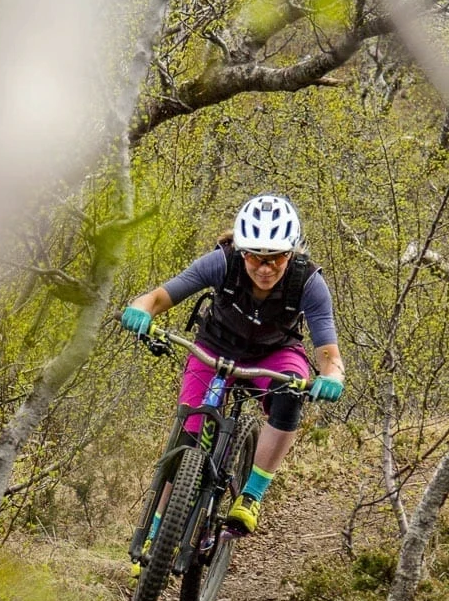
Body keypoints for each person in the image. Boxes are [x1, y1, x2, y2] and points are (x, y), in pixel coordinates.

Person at [119, 193, 345, 534]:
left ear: (292, 252)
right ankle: (155, 531)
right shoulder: (220, 263)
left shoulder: (309, 281)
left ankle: (251, 495)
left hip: (275, 353)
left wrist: (331, 377)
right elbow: (158, 297)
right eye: (255, 257)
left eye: (277, 258)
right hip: (215, 349)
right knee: (189, 440)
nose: (265, 268)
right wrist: (140, 311)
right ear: (242, 250)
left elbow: (329, 352)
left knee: (291, 393)